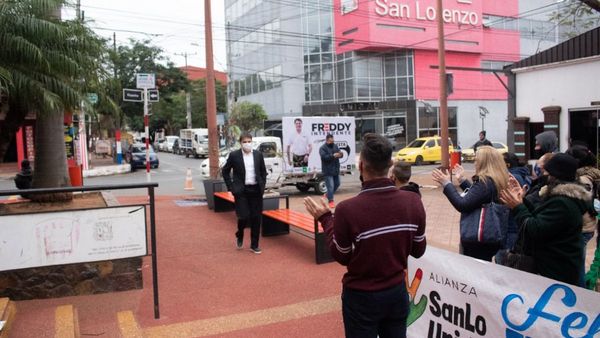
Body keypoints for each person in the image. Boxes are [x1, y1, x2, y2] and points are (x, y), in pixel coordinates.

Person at [304, 133, 426, 338]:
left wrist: (325, 219)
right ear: (390, 165)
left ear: (361, 166)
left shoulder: (347, 210)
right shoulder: (413, 202)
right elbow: (418, 250)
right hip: (397, 291)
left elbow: (341, 255)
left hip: (361, 296)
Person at [500, 153, 592, 286]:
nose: (542, 176)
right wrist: (522, 200)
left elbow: (535, 228)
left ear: (556, 176)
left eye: (546, 172)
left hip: (555, 274)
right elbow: (541, 217)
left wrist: (517, 207)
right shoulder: (560, 198)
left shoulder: (563, 203)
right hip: (553, 269)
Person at [432, 146, 509, 261]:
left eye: (476, 160)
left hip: (478, 239)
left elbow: (462, 204)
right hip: (490, 235)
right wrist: (462, 180)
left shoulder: (484, 182)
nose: (475, 163)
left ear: (484, 162)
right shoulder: (495, 179)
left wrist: (447, 184)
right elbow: (478, 197)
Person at [222, 133, 268, 254]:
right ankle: (240, 232)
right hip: (241, 191)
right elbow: (225, 171)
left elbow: (263, 172)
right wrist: (231, 187)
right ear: (241, 143)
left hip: (256, 190)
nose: (247, 143)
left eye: (249, 141)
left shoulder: (258, 155)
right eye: (245, 142)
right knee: (243, 216)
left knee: (256, 218)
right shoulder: (234, 155)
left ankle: (254, 245)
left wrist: (262, 185)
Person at [319, 134, 342, 208]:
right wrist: (333, 155)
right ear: (327, 140)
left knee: (337, 183)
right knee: (330, 186)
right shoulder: (322, 148)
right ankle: (331, 201)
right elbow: (324, 158)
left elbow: (339, 153)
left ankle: (328, 194)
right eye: (330, 141)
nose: (332, 142)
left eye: (333, 140)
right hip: (327, 171)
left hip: (335, 169)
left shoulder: (335, 146)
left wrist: (341, 154)